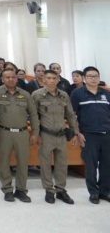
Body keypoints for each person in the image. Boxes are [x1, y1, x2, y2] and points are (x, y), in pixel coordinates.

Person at [0, 68, 38, 202]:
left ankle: (21, 190)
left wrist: (35, 132)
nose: (10, 79)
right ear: (2, 79)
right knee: (3, 162)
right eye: (7, 77)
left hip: (22, 133)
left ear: (17, 79)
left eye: (13, 77)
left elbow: (33, 114)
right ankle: (7, 189)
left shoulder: (25, 94)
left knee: (23, 163)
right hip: (4, 132)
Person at [32, 69, 79, 204]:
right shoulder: (37, 95)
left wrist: (75, 132)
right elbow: (34, 116)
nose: (51, 81)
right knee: (45, 164)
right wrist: (36, 134)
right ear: (43, 80)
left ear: (58, 80)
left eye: (54, 78)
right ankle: (49, 190)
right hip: (46, 134)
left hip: (61, 135)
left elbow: (70, 114)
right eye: (49, 78)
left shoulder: (63, 95)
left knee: (62, 164)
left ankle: (60, 190)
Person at [70, 66, 110, 204]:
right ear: (84, 78)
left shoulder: (106, 94)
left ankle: (104, 191)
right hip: (88, 135)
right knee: (91, 166)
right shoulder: (77, 93)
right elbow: (72, 115)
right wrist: (77, 133)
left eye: (96, 76)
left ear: (99, 78)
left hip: (107, 135)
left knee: (106, 165)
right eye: (90, 76)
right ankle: (93, 192)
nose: (93, 79)